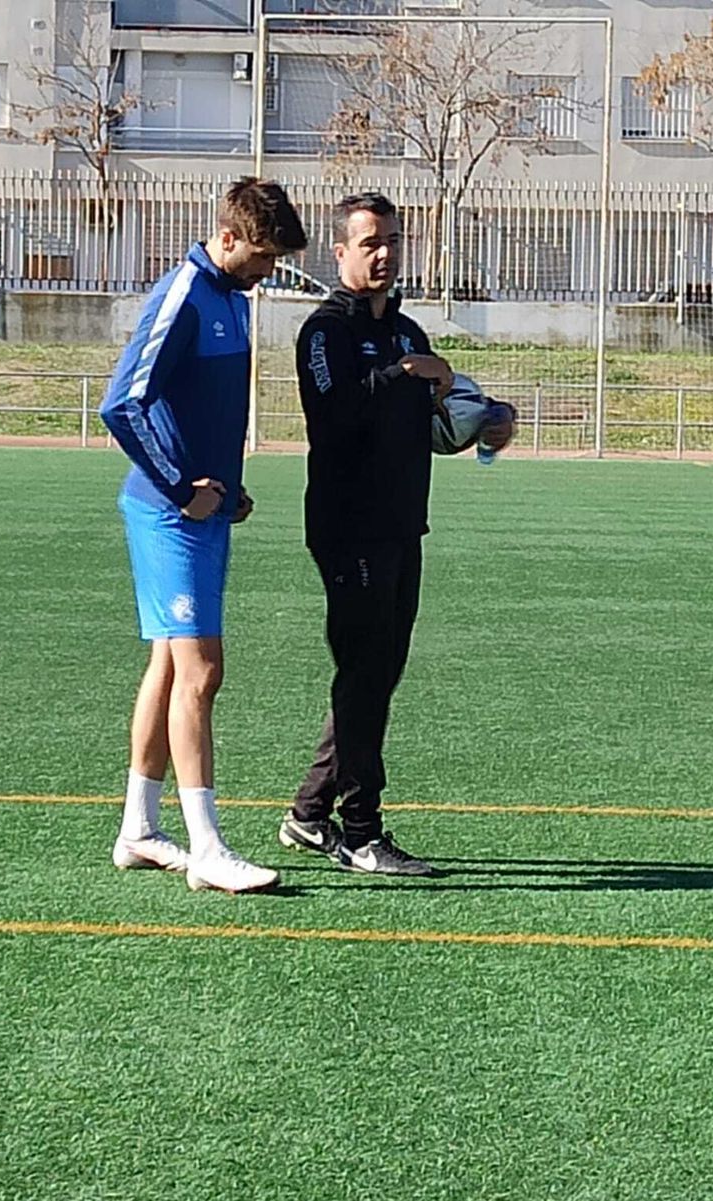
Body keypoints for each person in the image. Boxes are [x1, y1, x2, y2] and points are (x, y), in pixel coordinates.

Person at [278, 192, 514, 876]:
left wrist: (490, 420)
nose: (382, 253)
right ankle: (360, 830)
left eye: (391, 241)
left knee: (376, 675)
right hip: (347, 527)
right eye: (369, 241)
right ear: (340, 250)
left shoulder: (410, 332)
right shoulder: (324, 334)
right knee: (363, 674)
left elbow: (436, 424)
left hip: (403, 525)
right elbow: (335, 415)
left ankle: (309, 813)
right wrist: (403, 375)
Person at [100, 177, 308, 895]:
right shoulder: (185, 294)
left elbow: (206, 405)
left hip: (204, 511)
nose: (268, 271)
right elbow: (123, 402)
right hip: (167, 516)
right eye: (262, 255)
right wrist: (181, 487)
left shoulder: (231, 298)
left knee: (167, 666)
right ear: (227, 237)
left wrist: (225, 484)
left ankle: (138, 828)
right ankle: (208, 848)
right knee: (201, 673)